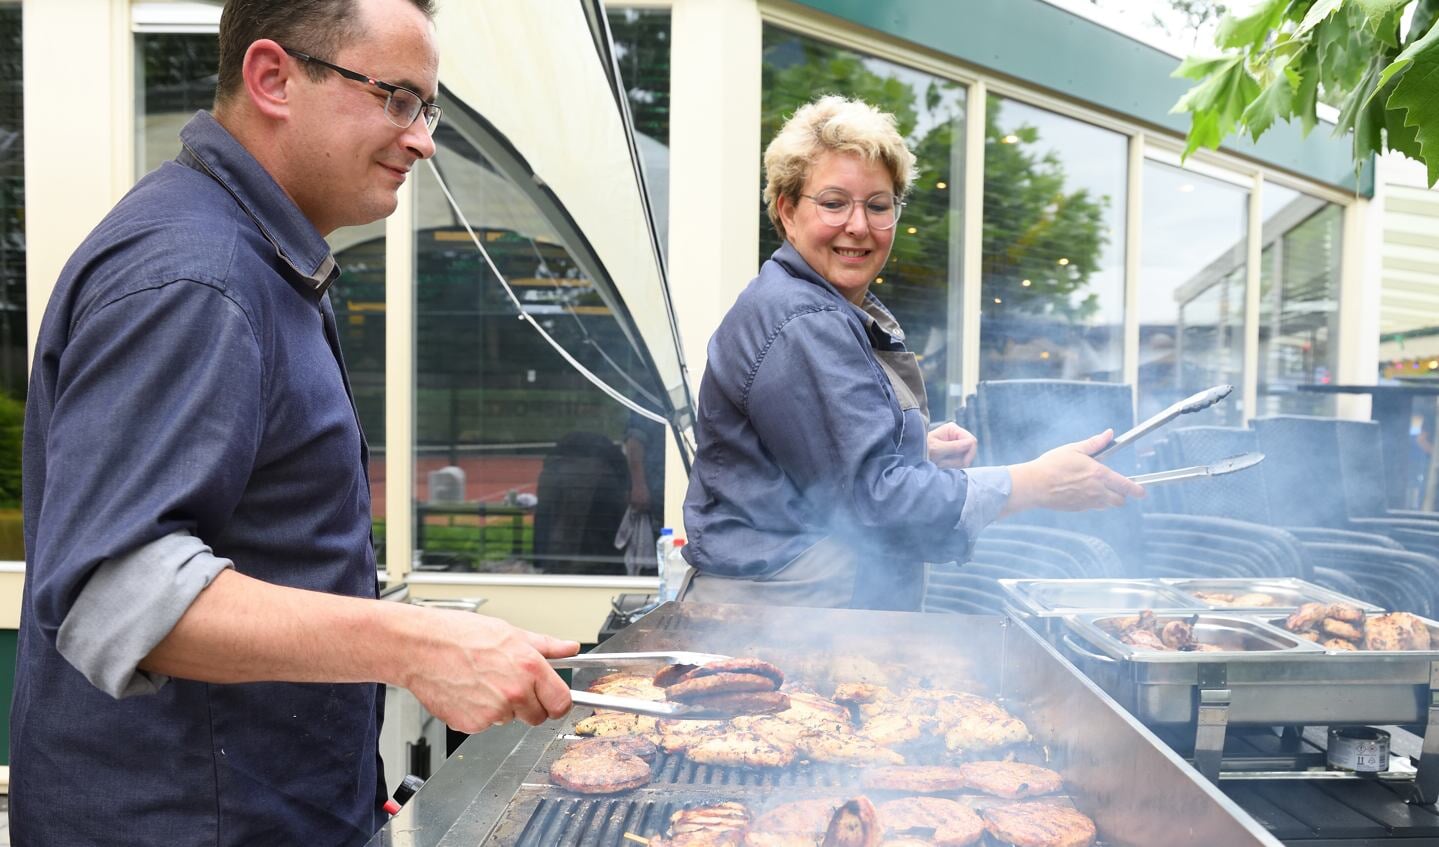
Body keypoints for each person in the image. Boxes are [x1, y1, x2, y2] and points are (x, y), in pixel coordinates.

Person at [11, 1, 578, 844]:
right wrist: (419, 644)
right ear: (272, 77)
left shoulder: (259, 257)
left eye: (427, 107)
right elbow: (115, 595)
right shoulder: (195, 275)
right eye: (395, 97)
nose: (422, 138)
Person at [681, 95, 1145, 611]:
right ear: (788, 212)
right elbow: (872, 498)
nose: (858, 225)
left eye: (878, 206)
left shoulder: (821, 307)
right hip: (783, 626)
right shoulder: (803, 319)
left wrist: (912, 450)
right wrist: (1031, 483)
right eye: (834, 203)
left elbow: (818, 469)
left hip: (807, 616)